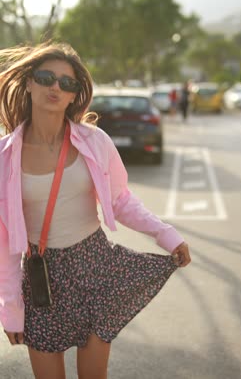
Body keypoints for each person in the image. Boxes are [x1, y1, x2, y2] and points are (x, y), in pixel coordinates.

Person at [0, 42, 191, 379]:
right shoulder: (4, 157)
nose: (56, 87)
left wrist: (166, 235)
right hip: (41, 277)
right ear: (29, 82)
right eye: (46, 77)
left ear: (75, 95)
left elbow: (121, 201)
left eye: (67, 83)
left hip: (95, 266)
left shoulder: (95, 141)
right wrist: (11, 309)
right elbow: (2, 243)